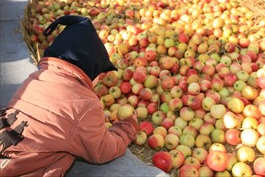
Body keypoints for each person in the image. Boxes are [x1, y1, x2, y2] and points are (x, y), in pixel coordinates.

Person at [0, 15, 167, 176]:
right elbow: (102, 150)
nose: (100, 78)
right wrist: (128, 127)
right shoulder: (84, 106)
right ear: (89, 70)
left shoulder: (35, 79)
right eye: (99, 73)